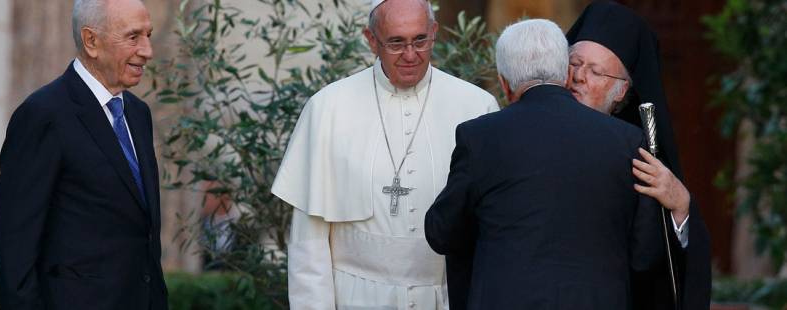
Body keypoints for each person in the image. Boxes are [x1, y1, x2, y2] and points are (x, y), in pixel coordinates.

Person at [271, 0, 499, 308]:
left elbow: (493, 231)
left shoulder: (476, 107)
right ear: (371, 40)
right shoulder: (328, 108)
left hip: (445, 297)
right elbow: (308, 244)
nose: (410, 55)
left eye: (420, 40)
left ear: (434, 32)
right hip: (355, 299)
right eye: (395, 43)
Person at [425, 19, 663, 309]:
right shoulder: (627, 141)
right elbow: (645, 254)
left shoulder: (478, 137)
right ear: (565, 74)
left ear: (503, 82)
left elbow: (442, 233)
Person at [0, 0, 167, 309]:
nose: (147, 50)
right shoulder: (43, 115)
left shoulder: (138, 114)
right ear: (91, 41)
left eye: (148, 35)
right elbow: (15, 249)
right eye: (133, 37)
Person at [566, 2, 711, 309]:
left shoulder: (642, 156)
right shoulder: (527, 130)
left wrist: (681, 207)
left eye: (594, 71)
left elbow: (659, 266)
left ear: (621, 91)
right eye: (573, 63)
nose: (578, 77)